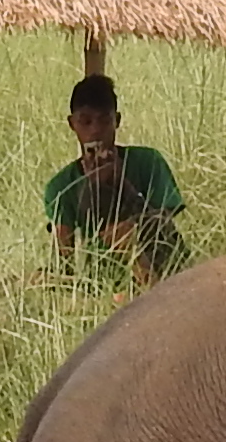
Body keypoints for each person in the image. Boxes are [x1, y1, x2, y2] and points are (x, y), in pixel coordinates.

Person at [42, 75, 185, 288]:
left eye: (104, 120)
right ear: (72, 124)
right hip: (104, 284)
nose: (95, 130)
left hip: (160, 274)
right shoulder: (61, 186)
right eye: (86, 121)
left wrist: (122, 185)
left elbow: (164, 229)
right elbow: (64, 259)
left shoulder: (148, 162)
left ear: (117, 120)